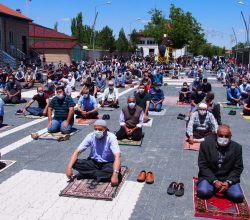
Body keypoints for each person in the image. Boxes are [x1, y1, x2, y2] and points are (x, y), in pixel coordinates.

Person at [65, 119, 121, 188]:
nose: (97, 131)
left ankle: (90, 174)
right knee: (74, 163)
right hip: (93, 163)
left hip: (108, 163)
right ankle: (99, 175)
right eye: (95, 129)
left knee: (116, 170)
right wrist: (69, 168)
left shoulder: (111, 137)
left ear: (106, 129)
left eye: (100, 129)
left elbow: (117, 156)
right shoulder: (90, 136)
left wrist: (115, 175)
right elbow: (77, 152)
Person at [197, 125, 244, 203]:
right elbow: (203, 165)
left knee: (237, 196)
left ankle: (223, 188)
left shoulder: (237, 148)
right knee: (203, 192)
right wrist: (214, 181)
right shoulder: (205, 145)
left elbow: (238, 168)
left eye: (226, 136)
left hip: (227, 178)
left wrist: (228, 182)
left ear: (230, 137)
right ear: (216, 135)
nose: (223, 138)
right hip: (210, 178)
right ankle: (215, 187)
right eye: (221, 136)